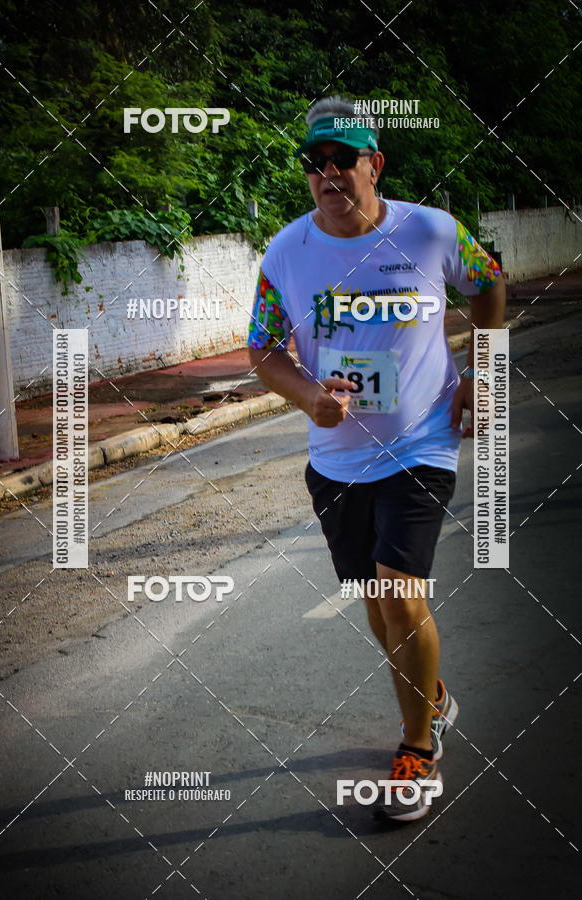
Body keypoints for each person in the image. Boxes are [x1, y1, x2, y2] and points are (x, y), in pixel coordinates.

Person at [247, 96, 505, 821]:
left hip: (422, 445)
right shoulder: (285, 252)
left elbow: (490, 286)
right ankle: (436, 699)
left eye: (342, 160)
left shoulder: (429, 231)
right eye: (313, 162)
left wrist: (482, 373)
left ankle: (418, 751)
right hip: (334, 461)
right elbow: (264, 349)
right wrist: (308, 397)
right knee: (377, 603)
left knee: (398, 591)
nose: (327, 174)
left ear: (374, 164)